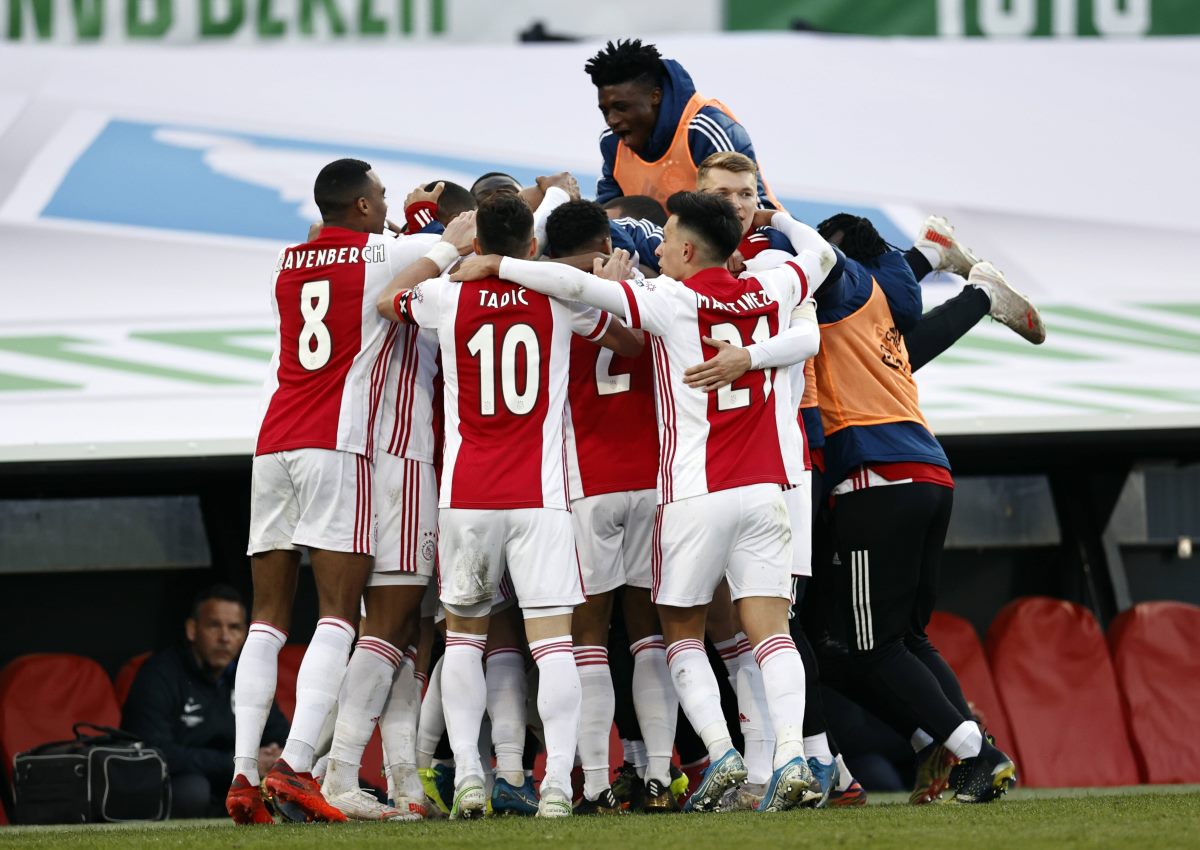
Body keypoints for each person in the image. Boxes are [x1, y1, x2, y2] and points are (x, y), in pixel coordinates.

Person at [452, 191, 837, 813]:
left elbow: (572, 285)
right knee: (771, 635)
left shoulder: (669, 299)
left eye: (669, 235)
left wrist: (500, 265)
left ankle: (720, 754)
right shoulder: (776, 287)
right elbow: (821, 255)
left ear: (686, 249)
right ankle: (789, 756)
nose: (659, 246)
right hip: (766, 488)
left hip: (688, 493)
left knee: (677, 632)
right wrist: (779, 220)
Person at [377, 192, 641, 819]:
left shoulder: (447, 295)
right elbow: (629, 343)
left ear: (478, 245)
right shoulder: (558, 296)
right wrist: (599, 284)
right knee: (553, 646)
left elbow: (389, 301)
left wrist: (445, 253)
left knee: (464, 641)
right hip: (539, 498)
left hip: (467, 496)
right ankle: (556, 788)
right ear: (531, 246)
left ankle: (471, 779)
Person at [227, 158, 442, 825]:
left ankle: (242, 775)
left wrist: (405, 226)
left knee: (266, 619)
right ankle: (296, 767)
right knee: (339, 615)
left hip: (272, 444)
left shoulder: (285, 263)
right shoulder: (383, 257)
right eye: (380, 196)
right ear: (361, 206)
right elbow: (456, 240)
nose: (386, 204)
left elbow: (352, 250)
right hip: (334, 442)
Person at [807, 213, 1019, 805]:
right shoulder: (881, 313)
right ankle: (951, 745)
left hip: (875, 477)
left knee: (868, 648)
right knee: (903, 638)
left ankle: (977, 755)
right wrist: (950, 281)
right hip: (929, 473)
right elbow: (916, 336)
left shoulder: (829, 304)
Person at [317, 213, 477, 822]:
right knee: (387, 625)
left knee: (411, 634)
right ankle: (334, 773)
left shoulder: (420, 275)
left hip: (417, 467)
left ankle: (403, 779)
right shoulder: (429, 282)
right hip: (408, 462)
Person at [543, 199, 679, 813]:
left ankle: (596, 783)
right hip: (653, 479)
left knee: (589, 638)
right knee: (650, 634)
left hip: (585, 483)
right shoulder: (652, 290)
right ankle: (658, 777)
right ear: (607, 241)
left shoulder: (548, 293)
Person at [122, 585, 288, 819]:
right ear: (192, 630)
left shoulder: (247, 675)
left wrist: (276, 757)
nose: (224, 638)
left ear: (244, 635)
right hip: (179, 782)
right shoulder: (159, 674)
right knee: (194, 791)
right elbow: (155, 751)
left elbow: (280, 733)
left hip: (233, 781)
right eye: (214, 626)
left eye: (234, 628)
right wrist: (236, 763)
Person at [586, 39, 779, 209]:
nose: (612, 120)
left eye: (621, 107)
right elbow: (607, 220)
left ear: (655, 96)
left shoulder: (705, 130)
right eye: (605, 111)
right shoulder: (612, 142)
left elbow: (753, 212)